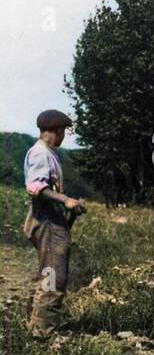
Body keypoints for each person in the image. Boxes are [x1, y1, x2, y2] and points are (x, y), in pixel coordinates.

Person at [23, 109, 83, 337]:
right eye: (64, 131)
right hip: (47, 221)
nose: (64, 136)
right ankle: (43, 333)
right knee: (52, 277)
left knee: (49, 275)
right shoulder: (40, 153)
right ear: (57, 131)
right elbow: (36, 188)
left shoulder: (48, 153)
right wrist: (66, 199)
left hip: (52, 220)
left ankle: (38, 325)